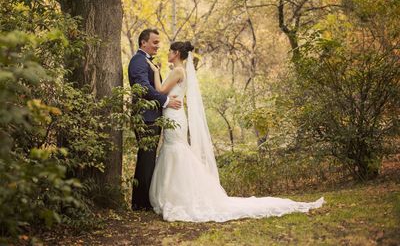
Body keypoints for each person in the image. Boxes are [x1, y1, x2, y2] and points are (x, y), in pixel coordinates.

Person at [146, 40, 324, 222]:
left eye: (170, 50)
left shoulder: (177, 70)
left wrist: (155, 71)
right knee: (174, 150)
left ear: (176, 53)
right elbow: (166, 92)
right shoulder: (178, 71)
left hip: (174, 116)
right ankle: (176, 193)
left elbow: (160, 89)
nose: (167, 53)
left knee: (176, 150)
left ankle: (179, 196)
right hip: (173, 114)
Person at [128, 29, 182, 211]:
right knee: (146, 159)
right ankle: (140, 204)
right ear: (143, 43)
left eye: (159, 42)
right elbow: (142, 87)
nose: (158, 46)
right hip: (145, 117)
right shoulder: (138, 61)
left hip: (152, 116)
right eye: (155, 42)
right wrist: (166, 101)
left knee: (147, 159)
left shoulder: (147, 61)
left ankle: (141, 201)